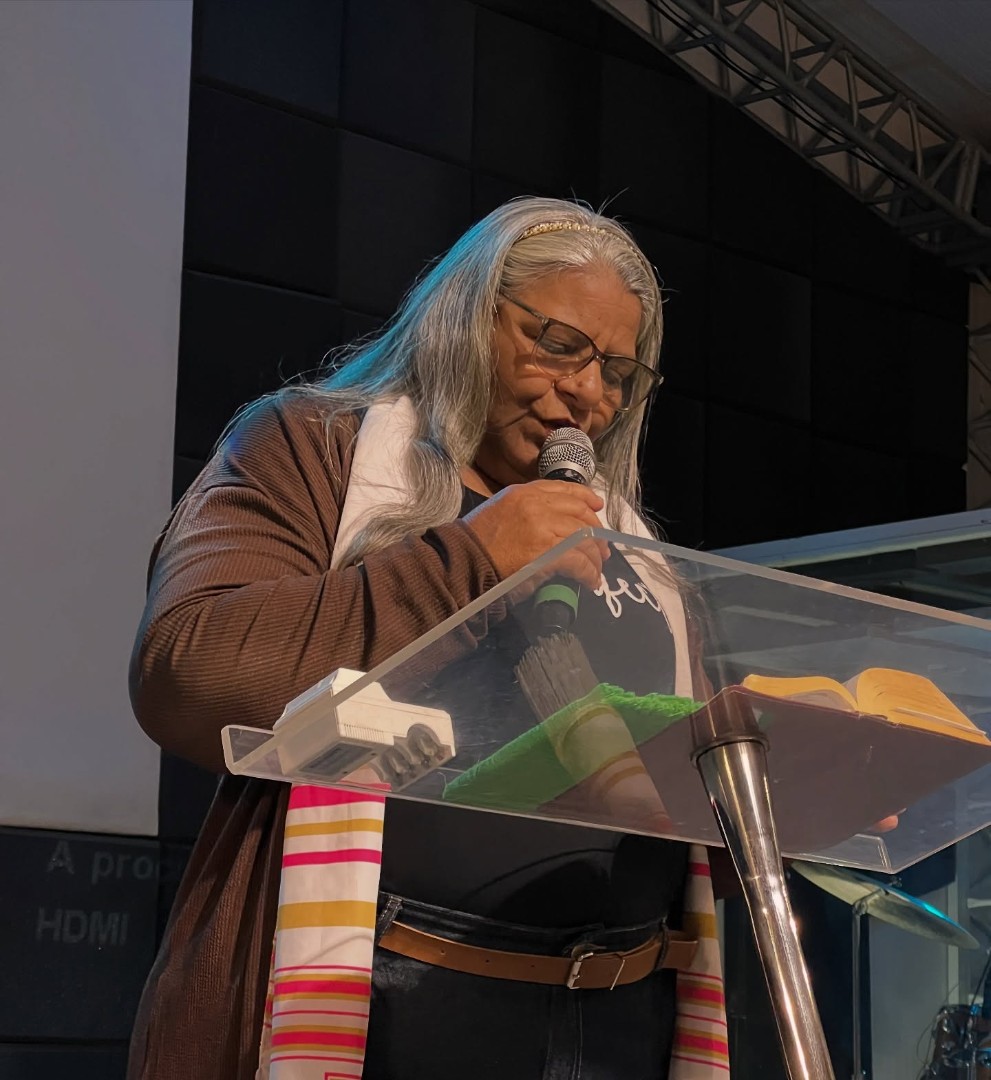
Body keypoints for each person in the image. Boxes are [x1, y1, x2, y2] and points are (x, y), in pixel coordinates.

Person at [126, 197, 729, 1080]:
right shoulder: (313, 451)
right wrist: (472, 561)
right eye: (559, 344)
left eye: (617, 372)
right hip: (390, 1009)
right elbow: (190, 668)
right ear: (466, 316)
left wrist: (792, 786)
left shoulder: (640, 556)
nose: (587, 392)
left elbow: (675, 809)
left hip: (619, 1027)